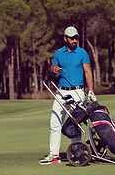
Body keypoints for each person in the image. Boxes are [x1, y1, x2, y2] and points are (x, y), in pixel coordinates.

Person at [39, 26, 97, 165]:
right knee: (55, 122)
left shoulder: (82, 53)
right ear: (65, 38)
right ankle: (54, 155)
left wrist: (91, 90)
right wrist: (53, 70)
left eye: (76, 37)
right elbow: (53, 72)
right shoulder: (58, 53)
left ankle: (76, 153)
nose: (74, 40)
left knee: (75, 124)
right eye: (71, 38)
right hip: (61, 91)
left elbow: (88, 72)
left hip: (77, 91)